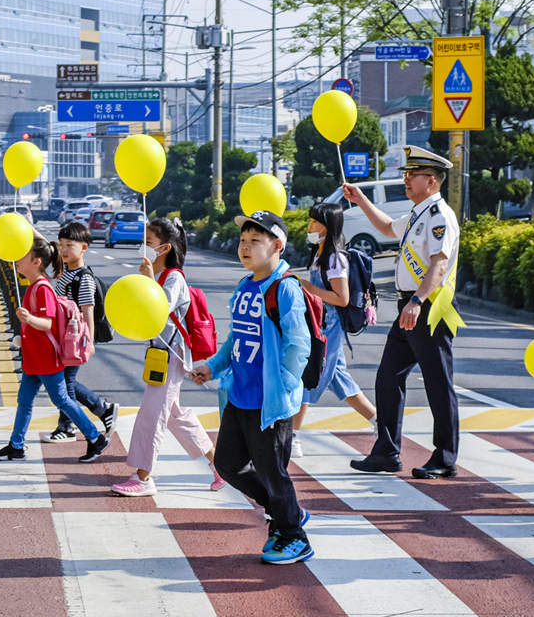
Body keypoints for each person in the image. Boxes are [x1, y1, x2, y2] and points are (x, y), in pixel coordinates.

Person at [189, 210, 312, 565]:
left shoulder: (284, 288)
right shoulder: (245, 286)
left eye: (254, 241)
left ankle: (293, 535)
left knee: (273, 472)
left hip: (269, 403)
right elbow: (235, 341)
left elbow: (298, 344)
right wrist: (212, 367)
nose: (245, 247)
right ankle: (285, 511)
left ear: (277, 245)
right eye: (243, 241)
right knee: (227, 464)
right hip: (239, 396)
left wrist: (284, 387)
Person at [346, 146, 464, 480]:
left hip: (429, 307)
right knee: (388, 376)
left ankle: (444, 457)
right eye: (407, 174)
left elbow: (439, 265)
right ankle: (386, 451)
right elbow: (386, 228)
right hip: (409, 306)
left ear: (432, 181)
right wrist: (360, 200)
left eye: (413, 175)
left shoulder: (440, 216)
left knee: (439, 383)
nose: (407, 180)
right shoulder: (417, 214)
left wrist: (417, 301)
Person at [111, 217, 224, 497]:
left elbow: (159, 308)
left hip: (172, 355)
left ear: (165, 248)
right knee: (174, 415)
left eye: (148, 243)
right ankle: (220, 464)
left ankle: (143, 477)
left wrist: (148, 281)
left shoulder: (174, 278)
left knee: (151, 415)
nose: (143, 248)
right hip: (161, 355)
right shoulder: (158, 276)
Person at [0, 234, 110, 464]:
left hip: (45, 358)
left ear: (36, 262)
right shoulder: (35, 285)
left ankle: (95, 438)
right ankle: (16, 446)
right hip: (34, 357)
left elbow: (48, 323)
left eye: (23, 257)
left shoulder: (42, 288)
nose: (17, 261)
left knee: (62, 400)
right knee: (24, 401)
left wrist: (29, 318)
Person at [289, 202, 378, 457]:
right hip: (321, 324)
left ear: (328, 227)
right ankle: (379, 422)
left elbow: (342, 298)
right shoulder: (320, 255)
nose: (310, 226)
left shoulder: (334, 258)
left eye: (315, 222)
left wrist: (306, 286)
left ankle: (293, 436)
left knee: (310, 375)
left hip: (330, 328)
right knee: (338, 379)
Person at [45, 220, 118, 444]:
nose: (64, 250)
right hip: (65, 337)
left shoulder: (83, 278)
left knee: (65, 383)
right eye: (61, 245)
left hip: (75, 339)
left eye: (70, 245)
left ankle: (67, 426)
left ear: (83, 248)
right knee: (66, 382)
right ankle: (102, 409)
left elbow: (88, 311)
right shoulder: (67, 273)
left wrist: (88, 340)